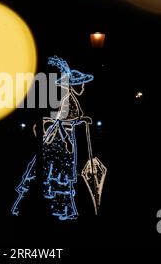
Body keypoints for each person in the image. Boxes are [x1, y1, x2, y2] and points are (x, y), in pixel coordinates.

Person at [11, 56, 107, 220]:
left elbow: (68, 118)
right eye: (80, 84)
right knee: (59, 171)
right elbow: (60, 121)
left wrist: (82, 120)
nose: (82, 87)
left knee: (58, 172)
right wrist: (66, 140)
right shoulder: (66, 98)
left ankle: (59, 209)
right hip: (60, 139)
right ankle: (54, 209)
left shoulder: (70, 97)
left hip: (64, 135)